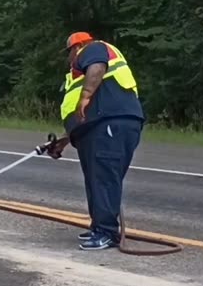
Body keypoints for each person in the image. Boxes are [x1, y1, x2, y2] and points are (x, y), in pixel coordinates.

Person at [55, 31, 146, 251]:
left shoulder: (93, 49)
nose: (69, 58)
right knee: (98, 178)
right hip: (100, 127)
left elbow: (96, 67)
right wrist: (66, 140)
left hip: (110, 125)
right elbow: (88, 115)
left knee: (104, 177)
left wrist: (85, 95)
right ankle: (100, 227)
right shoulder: (83, 68)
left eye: (69, 52)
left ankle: (106, 232)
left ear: (77, 47)